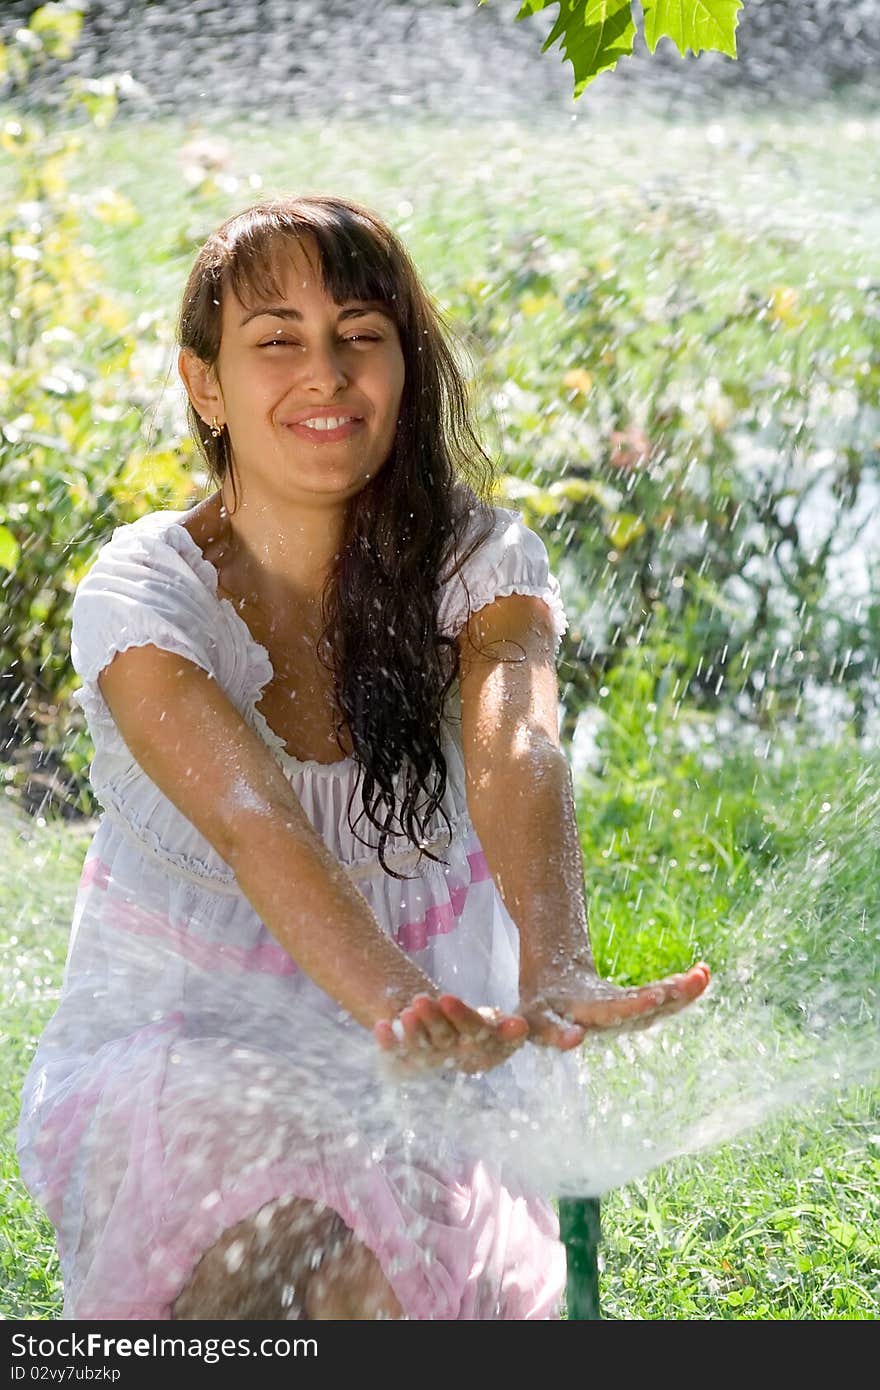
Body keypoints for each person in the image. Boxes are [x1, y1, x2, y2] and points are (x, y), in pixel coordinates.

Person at [17, 194, 709, 1321]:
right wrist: (402, 1005)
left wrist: (556, 961)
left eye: (360, 336)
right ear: (206, 384)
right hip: (191, 1043)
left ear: (404, 367)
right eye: (277, 339)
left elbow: (517, 742)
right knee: (267, 1262)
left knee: (365, 1288)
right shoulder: (146, 596)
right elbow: (254, 825)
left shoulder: (478, 561)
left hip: (438, 1052)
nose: (325, 372)